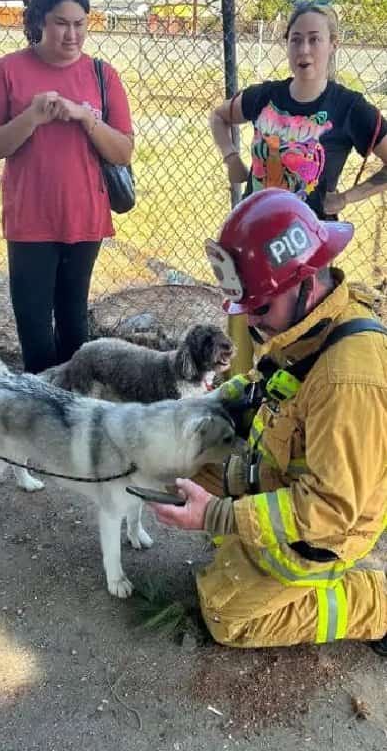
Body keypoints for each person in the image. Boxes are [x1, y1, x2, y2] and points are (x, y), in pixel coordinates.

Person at [148, 188, 387, 652]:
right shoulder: (308, 322)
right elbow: (269, 380)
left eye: (259, 307)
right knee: (181, 459)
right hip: (277, 473)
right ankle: (242, 538)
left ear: (304, 283)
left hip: (327, 525)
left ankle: (372, 604)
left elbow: (330, 509)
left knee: (226, 618)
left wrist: (217, 514)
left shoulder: (348, 379)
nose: (251, 320)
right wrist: (205, 404)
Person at [0, 0, 134, 374]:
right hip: (30, 221)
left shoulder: (103, 74)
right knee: (34, 330)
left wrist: (86, 118)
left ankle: (73, 416)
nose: (72, 35)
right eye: (61, 24)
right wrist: (31, 117)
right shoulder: (9, 70)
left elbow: (124, 149)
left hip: (85, 219)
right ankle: (40, 412)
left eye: (79, 24)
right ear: (39, 22)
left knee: (74, 327)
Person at [209, 0, 387, 221]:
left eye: (314, 39)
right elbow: (218, 115)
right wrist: (231, 157)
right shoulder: (265, 95)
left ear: (333, 44)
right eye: (296, 40)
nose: (304, 49)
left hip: (308, 244)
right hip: (253, 230)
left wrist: (345, 198)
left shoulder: (349, 107)